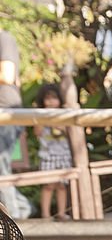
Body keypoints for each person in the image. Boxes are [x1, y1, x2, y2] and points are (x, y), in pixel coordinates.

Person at [33, 83, 73, 221]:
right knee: (48, 185)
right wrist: (44, 121)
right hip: (47, 154)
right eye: (47, 98)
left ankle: (61, 213)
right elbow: (37, 132)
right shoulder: (39, 115)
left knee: (62, 185)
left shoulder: (65, 114)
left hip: (63, 154)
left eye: (54, 98)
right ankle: (45, 214)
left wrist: (57, 125)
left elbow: (70, 132)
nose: (50, 101)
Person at [0, 29, 24, 220]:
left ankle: (15, 219)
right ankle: (23, 210)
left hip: (5, 111)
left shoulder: (4, 38)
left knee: (1, 168)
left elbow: (7, 75)